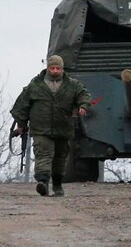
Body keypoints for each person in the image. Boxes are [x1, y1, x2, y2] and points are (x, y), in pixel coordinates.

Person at [10, 55, 91, 197]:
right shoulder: (35, 85)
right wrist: (21, 125)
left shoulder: (72, 85)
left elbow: (84, 95)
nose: (55, 71)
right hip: (41, 129)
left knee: (61, 157)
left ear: (62, 69)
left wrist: (83, 106)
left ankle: (58, 185)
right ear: (47, 68)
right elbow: (22, 106)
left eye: (58, 68)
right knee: (43, 154)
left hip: (63, 128)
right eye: (52, 68)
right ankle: (43, 182)